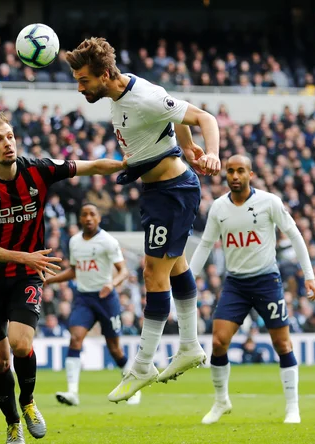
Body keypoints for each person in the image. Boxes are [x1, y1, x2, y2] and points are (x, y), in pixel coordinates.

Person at [66, 37, 221, 402]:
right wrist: (185, 144)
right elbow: (173, 115)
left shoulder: (142, 96)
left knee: (154, 274)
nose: (79, 87)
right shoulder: (122, 93)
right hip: (158, 192)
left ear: (104, 74)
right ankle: (188, 346)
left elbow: (204, 117)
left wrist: (211, 153)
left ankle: (143, 364)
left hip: (173, 192)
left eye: (84, 79)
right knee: (177, 265)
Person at [0, 112, 125, 444]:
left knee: (21, 345)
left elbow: (91, 165)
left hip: (25, 275)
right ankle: (11, 422)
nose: (7, 143)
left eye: (9, 136)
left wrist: (129, 164)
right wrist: (25, 256)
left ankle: (28, 402)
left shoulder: (37, 169)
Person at [189, 155, 315, 425]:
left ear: (250, 174)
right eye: (230, 171)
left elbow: (294, 234)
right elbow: (204, 245)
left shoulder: (269, 202)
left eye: (240, 171)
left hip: (266, 281)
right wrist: (189, 278)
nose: (235, 176)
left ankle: (292, 407)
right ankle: (221, 400)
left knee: (282, 343)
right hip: (235, 284)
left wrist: (309, 276)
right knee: (218, 341)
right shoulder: (218, 207)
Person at [44, 203, 138, 406]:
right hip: (84, 298)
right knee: (75, 339)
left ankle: (132, 385)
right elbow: (74, 270)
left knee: (115, 349)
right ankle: (72, 393)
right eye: (84, 214)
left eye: (92, 214)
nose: (88, 218)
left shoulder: (108, 242)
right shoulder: (75, 241)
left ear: (98, 218)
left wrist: (111, 284)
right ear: (79, 219)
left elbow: (123, 270)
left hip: (106, 298)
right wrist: (49, 280)